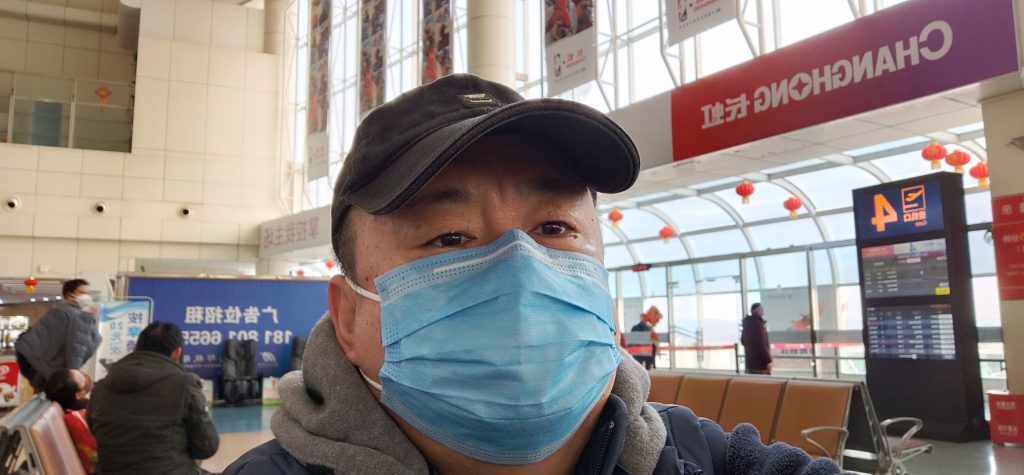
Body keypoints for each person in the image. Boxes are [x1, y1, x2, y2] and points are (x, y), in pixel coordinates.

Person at [223, 74, 844, 474]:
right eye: (449, 237)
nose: (520, 269)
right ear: (349, 316)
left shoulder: (701, 459)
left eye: (553, 227)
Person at [87, 322, 219, 475]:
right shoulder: (184, 385)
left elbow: (94, 429)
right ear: (177, 353)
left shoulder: (101, 387)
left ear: (135, 349)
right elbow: (207, 447)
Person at [15, 278, 102, 392]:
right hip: (47, 370)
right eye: (82, 293)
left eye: (88, 294)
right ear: (70, 295)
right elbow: (76, 349)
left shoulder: (62, 311)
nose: (87, 297)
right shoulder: (76, 316)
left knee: (43, 398)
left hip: (37, 366)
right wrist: (73, 378)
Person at [44, 369, 98, 473]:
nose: (85, 377)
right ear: (78, 395)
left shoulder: (68, 412)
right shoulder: (85, 416)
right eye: (82, 379)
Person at [741, 303, 773, 375]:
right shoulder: (758, 325)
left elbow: (743, 341)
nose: (762, 310)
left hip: (750, 363)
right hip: (760, 364)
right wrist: (768, 360)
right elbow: (761, 344)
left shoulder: (746, 324)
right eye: (761, 308)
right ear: (756, 310)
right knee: (762, 381)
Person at [629, 306, 662, 370]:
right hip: (647, 353)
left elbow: (631, 340)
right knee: (648, 366)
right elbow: (655, 341)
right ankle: (651, 366)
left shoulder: (634, 327)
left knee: (638, 368)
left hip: (638, 353)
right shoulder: (650, 328)